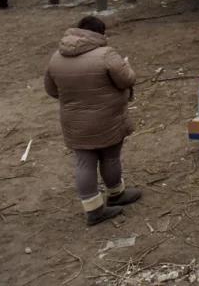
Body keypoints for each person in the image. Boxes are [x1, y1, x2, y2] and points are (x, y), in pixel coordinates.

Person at [44, 16, 140, 226]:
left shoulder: (56, 58)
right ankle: (116, 193)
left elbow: (51, 90)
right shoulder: (106, 54)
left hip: (74, 120)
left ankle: (93, 209)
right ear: (100, 34)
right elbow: (127, 80)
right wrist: (126, 66)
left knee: (84, 162)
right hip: (107, 118)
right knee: (110, 157)